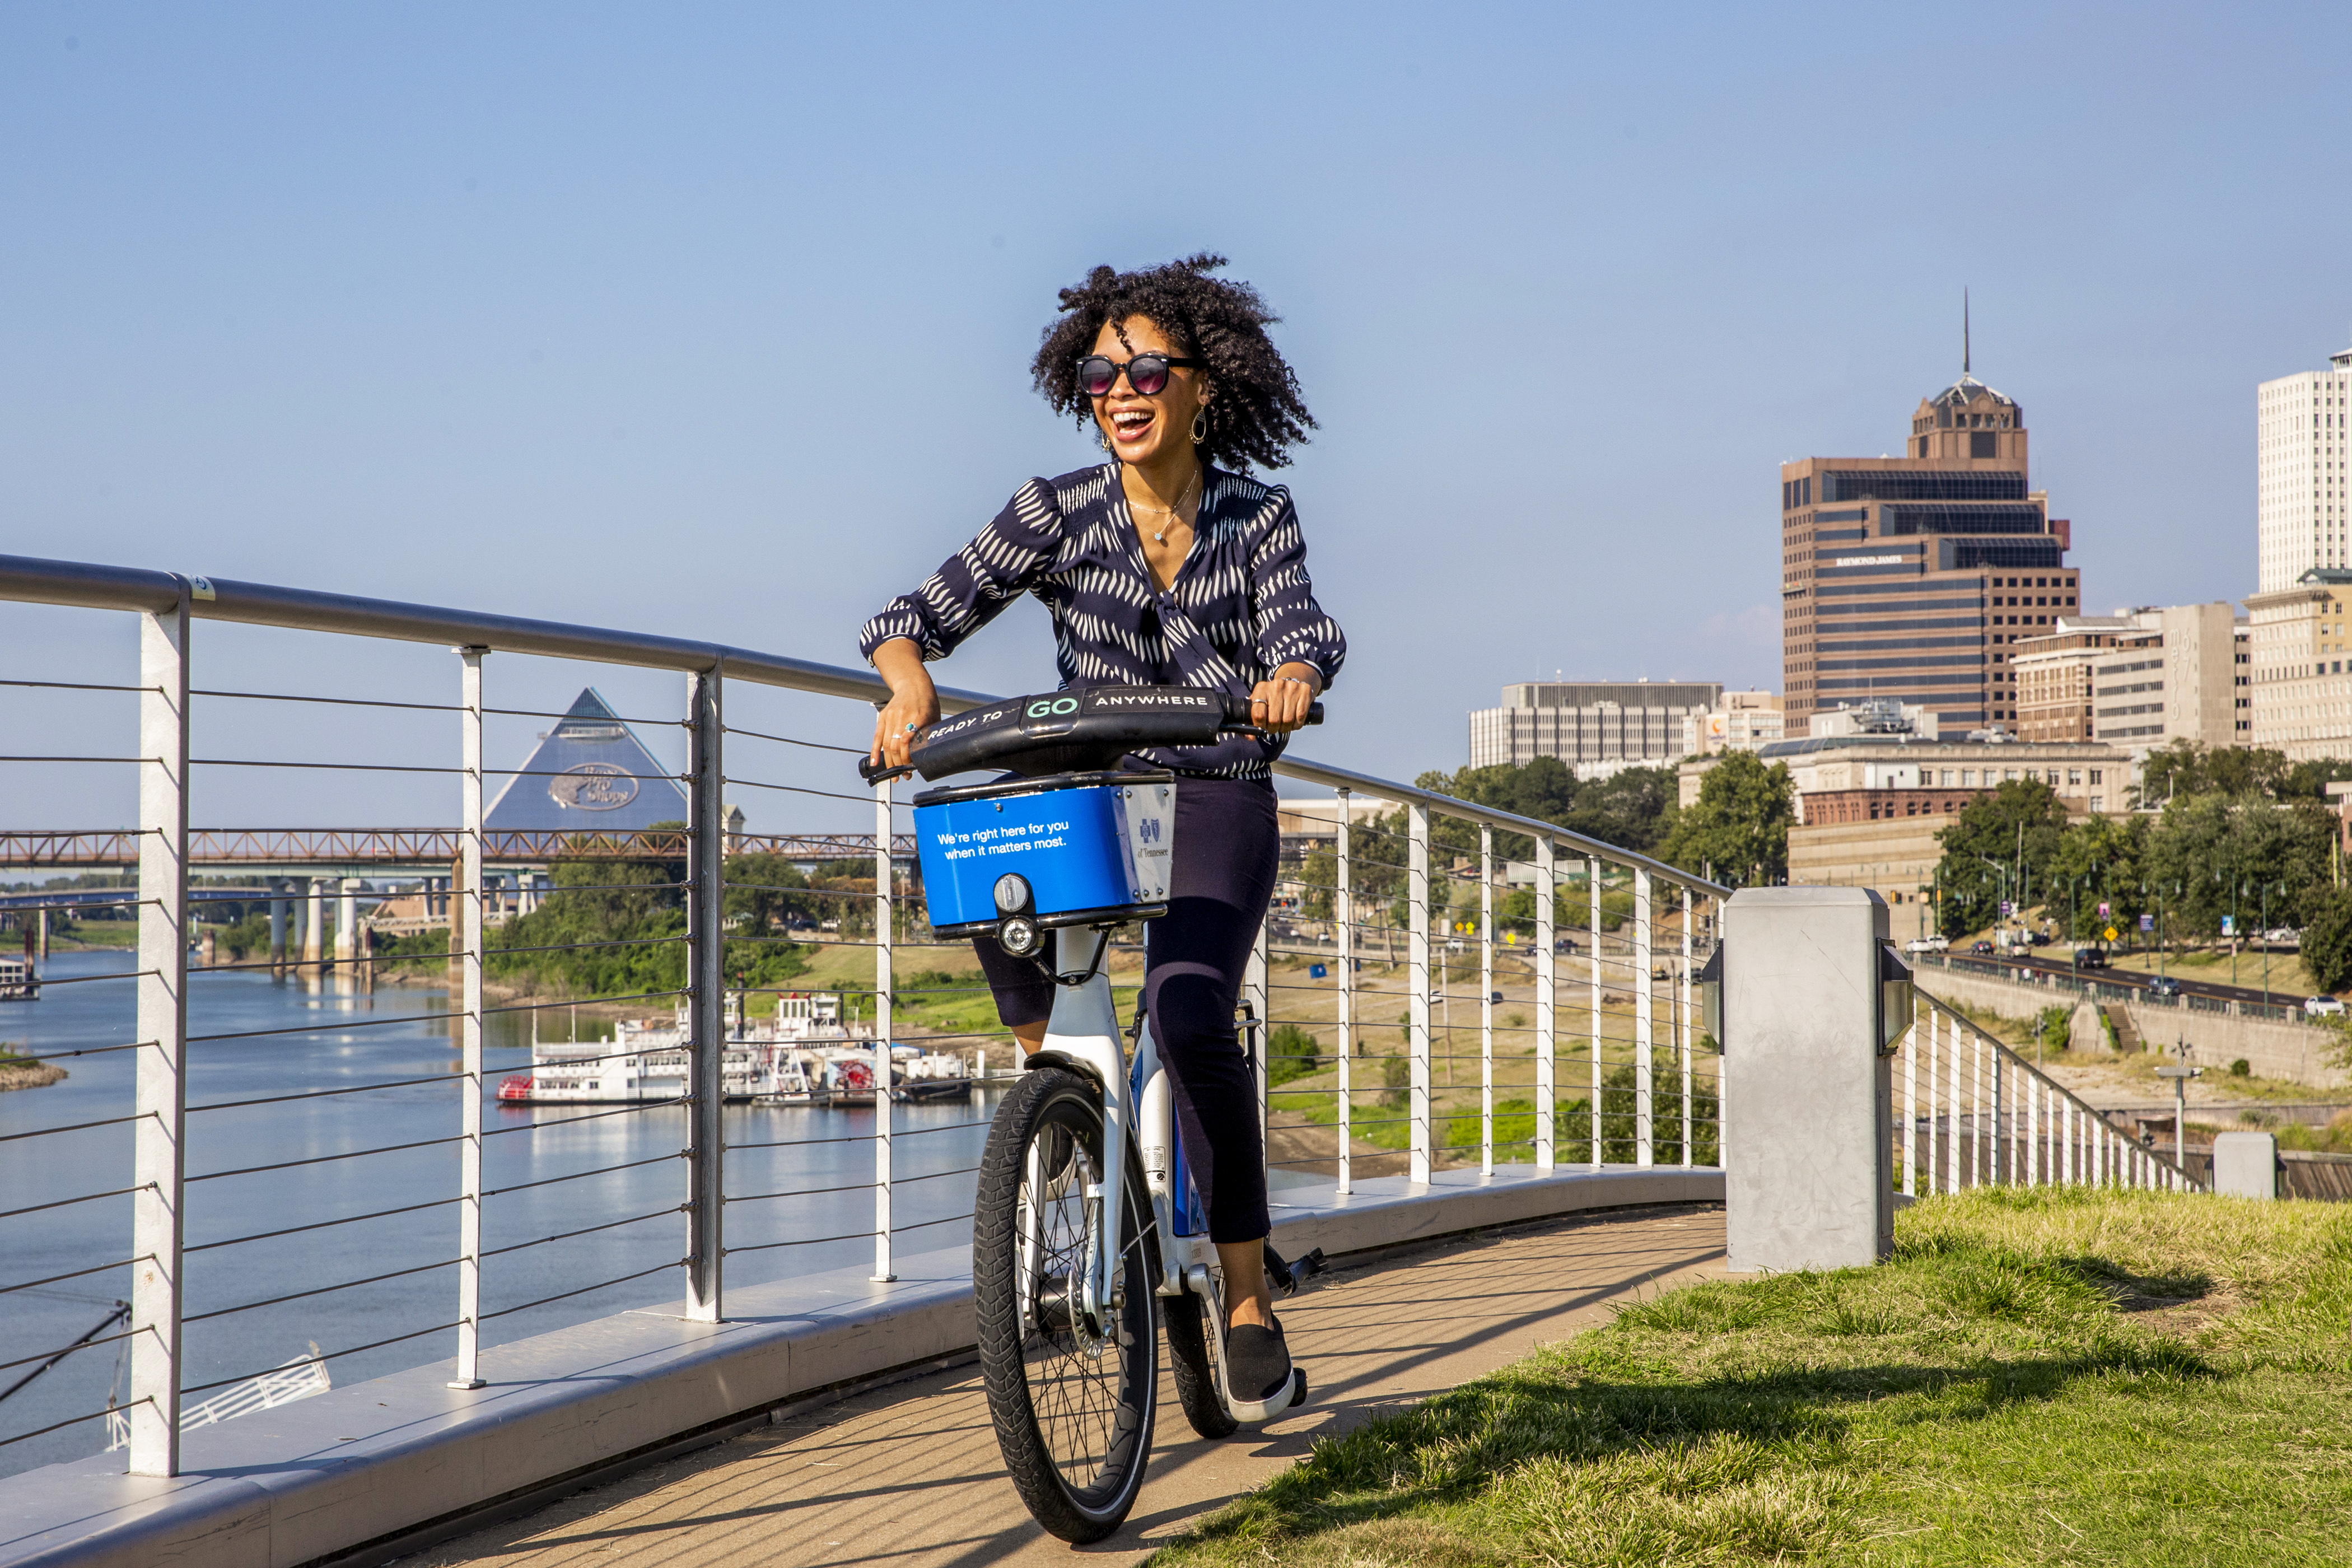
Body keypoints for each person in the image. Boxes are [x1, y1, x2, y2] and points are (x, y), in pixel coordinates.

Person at [860, 254, 1344, 1403]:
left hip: (1218, 783)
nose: (1120, 391)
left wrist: (1284, 673)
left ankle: (1242, 1295)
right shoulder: (1055, 510)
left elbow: (1303, 626)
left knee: (1188, 1017)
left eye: (1145, 370)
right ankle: (1059, 1097)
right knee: (985, 846)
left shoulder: (1256, 512)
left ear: (1202, 385)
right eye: (1097, 374)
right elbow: (907, 614)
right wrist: (909, 682)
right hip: (1095, 794)